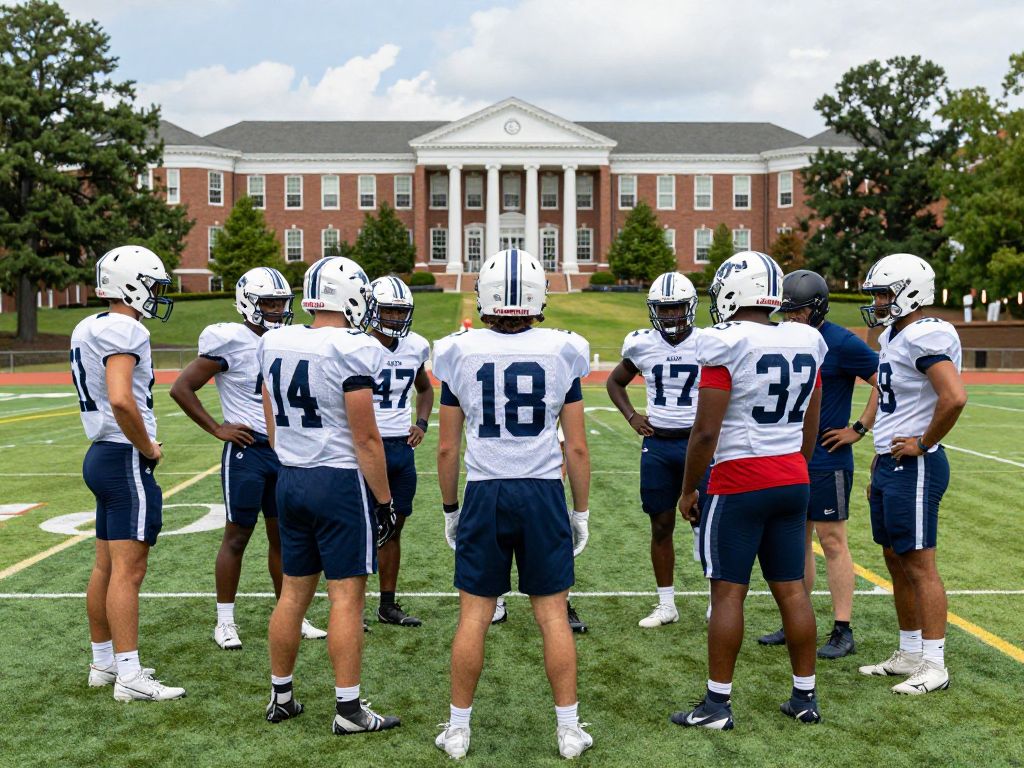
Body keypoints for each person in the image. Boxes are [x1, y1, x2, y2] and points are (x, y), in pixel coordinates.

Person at [433, 249, 593, 759]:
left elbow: (446, 447)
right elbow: (578, 447)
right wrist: (581, 510)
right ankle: (568, 729)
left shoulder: (459, 351)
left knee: (474, 618)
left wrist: (450, 508)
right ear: (538, 296)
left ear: (485, 296)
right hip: (543, 490)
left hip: (485, 489)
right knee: (553, 615)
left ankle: (458, 729)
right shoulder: (563, 349)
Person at [671, 251, 827, 730]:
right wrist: (794, 463)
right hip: (792, 476)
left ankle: (717, 705)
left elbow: (704, 432)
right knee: (793, 592)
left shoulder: (726, 341)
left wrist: (688, 490)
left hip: (740, 478)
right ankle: (805, 697)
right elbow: (811, 423)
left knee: (728, 594)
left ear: (733, 291)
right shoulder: (806, 338)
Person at [259, 256, 400, 733]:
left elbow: (269, 411)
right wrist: (384, 500)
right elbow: (365, 438)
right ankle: (348, 711)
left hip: (291, 476)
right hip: (336, 480)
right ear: (353, 297)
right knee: (346, 599)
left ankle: (281, 697)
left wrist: (289, 453)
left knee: (294, 594)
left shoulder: (276, 338)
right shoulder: (353, 347)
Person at [170, 267, 326, 649]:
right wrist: (218, 428)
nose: (276, 310)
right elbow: (181, 387)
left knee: (284, 538)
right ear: (247, 303)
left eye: (280, 303)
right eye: (268, 302)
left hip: (282, 451)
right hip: (246, 451)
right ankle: (224, 621)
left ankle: (291, 613)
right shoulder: (230, 340)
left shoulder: (287, 339)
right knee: (237, 536)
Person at [74, 244, 185, 701]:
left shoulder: (89, 325)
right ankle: (130, 676)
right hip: (123, 457)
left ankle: (103, 663)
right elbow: (121, 399)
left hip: (100, 454)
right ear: (132, 285)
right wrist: (149, 447)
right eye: (153, 285)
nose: (157, 295)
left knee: (105, 565)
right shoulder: (126, 330)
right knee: (129, 570)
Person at [857, 253, 966, 694]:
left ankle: (934, 664)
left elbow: (954, 397)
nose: (879, 302)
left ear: (909, 292)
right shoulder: (896, 335)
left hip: (916, 464)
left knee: (920, 565)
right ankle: (909, 652)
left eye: (884, 293)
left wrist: (921, 443)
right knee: (895, 558)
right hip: (892, 462)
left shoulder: (925, 334)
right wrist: (880, 452)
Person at [758, 270, 879, 659]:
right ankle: (798, 618)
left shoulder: (841, 342)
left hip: (828, 457)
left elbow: (883, 381)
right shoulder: (783, 338)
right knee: (797, 540)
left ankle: (843, 629)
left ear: (819, 308)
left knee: (832, 541)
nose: (792, 318)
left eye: (800, 311)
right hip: (792, 454)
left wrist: (858, 428)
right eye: (787, 311)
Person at [606, 272, 702, 629]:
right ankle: (666, 604)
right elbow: (616, 381)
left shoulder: (709, 343)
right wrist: (632, 416)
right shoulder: (642, 344)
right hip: (659, 445)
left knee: (706, 523)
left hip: (699, 444)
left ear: (689, 307)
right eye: (664, 309)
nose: (671, 316)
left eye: (677, 307)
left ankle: (716, 599)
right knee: (660, 525)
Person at [364, 276, 434, 627]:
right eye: (389, 308)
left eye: (400, 310)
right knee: (355, 528)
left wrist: (421, 423)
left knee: (393, 527)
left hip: (400, 449)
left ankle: (387, 604)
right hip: (362, 448)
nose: (394, 316)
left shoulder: (414, 346)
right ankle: (347, 606)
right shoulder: (353, 344)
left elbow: (425, 388)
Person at [490, 423, 589, 633]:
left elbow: (566, 445)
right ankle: (495, 600)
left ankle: (562, 605)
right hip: (500, 476)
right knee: (499, 544)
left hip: (536, 483)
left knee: (552, 554)